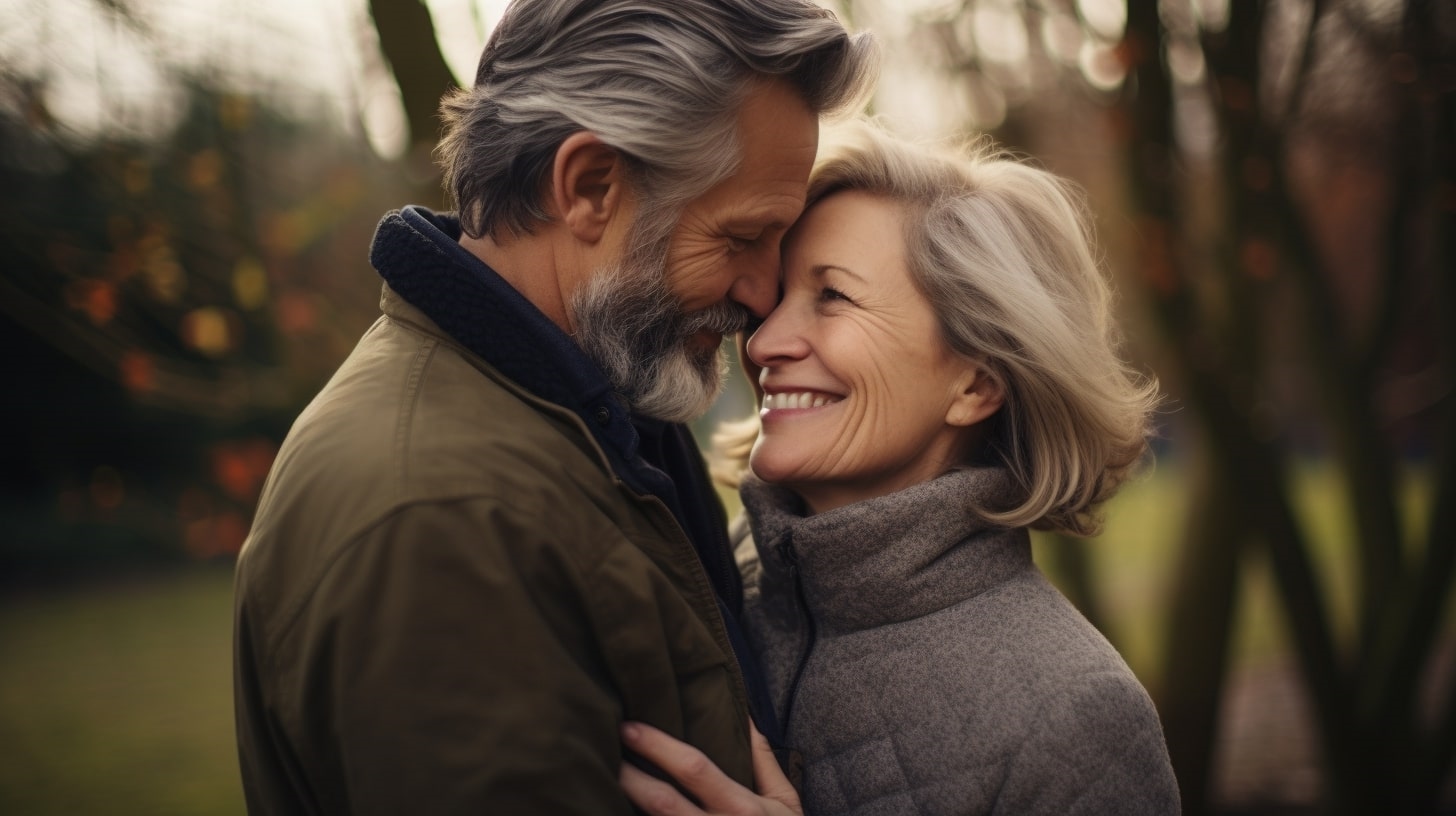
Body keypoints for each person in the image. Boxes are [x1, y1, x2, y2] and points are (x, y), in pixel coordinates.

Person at [231, 1, 875, 812]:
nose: (763, 292)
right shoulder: (440, 517)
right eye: (742, 238)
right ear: (590, 186)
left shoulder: (598, 414)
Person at [620, 121, 1181, 815]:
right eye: (778, 297)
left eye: (832, 296)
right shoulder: (716, 578)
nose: (763, 342)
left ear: (977, 383)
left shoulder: (1077, 718)